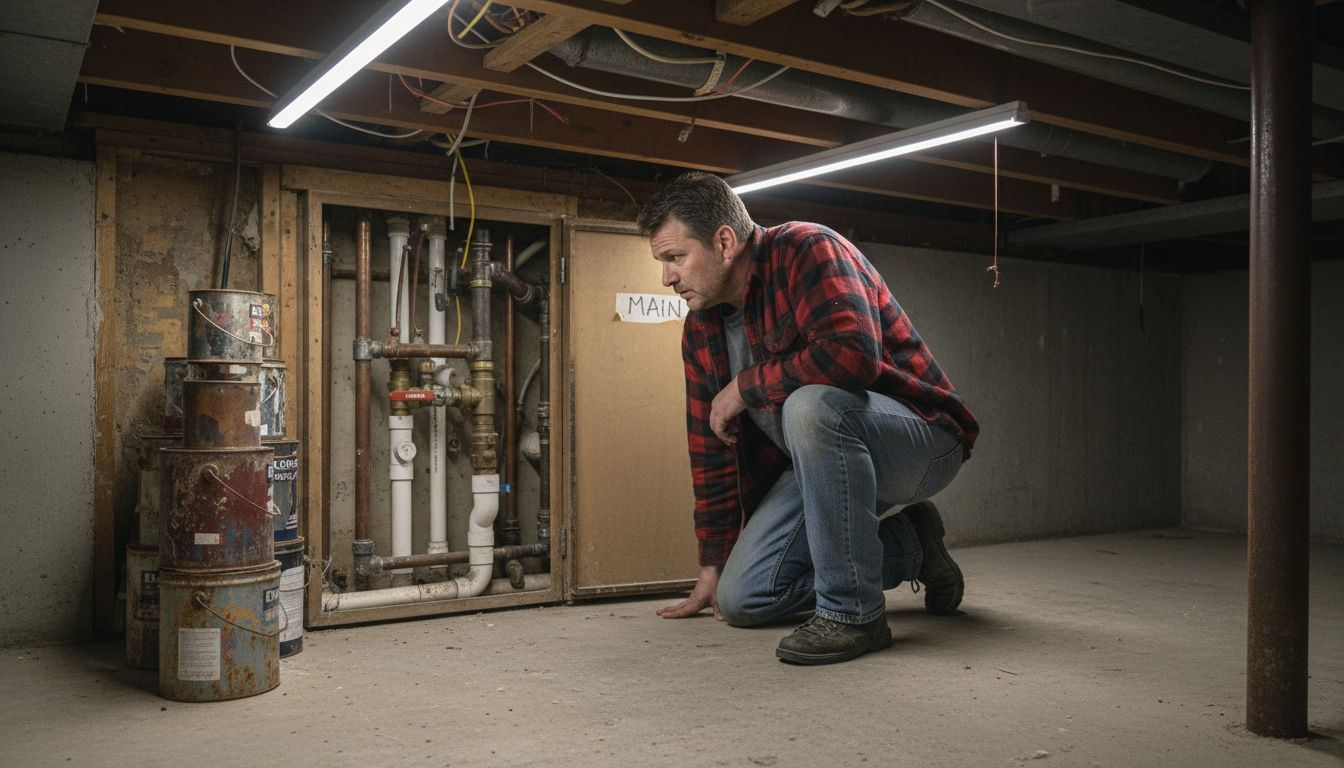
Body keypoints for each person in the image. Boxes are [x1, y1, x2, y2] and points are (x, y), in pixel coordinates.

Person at [637, 172, 979, 665]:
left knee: (811, 404)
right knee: (744, 598)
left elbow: (851, 356)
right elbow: (711, 447)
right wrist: (714, 562)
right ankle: (912, 545)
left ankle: (853, 614)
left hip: (922, 441)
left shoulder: (807, 249)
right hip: (820, 465)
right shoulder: (701, 330)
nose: (667, 277)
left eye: (675, 257)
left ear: (724, 242)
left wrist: (745, 387)